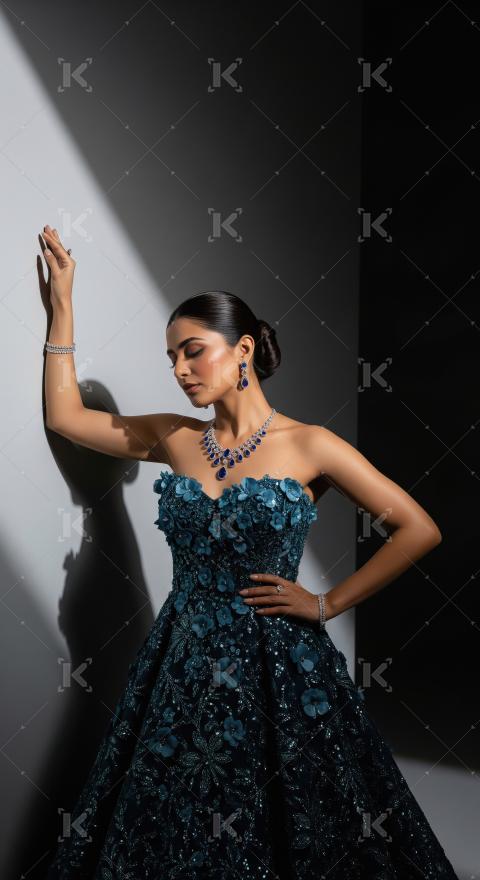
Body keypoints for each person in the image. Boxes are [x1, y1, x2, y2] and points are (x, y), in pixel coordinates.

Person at [41, 224, 459, 878]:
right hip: (180, 661)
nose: (180, 370)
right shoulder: (176, 438)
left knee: (301, 819)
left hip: (278, 664)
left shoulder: (310, 445)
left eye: (193, 352)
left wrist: (326, 603)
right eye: (171, 358)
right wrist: (62, 307)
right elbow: (66, 417)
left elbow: (417, 527)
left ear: (242, 350)